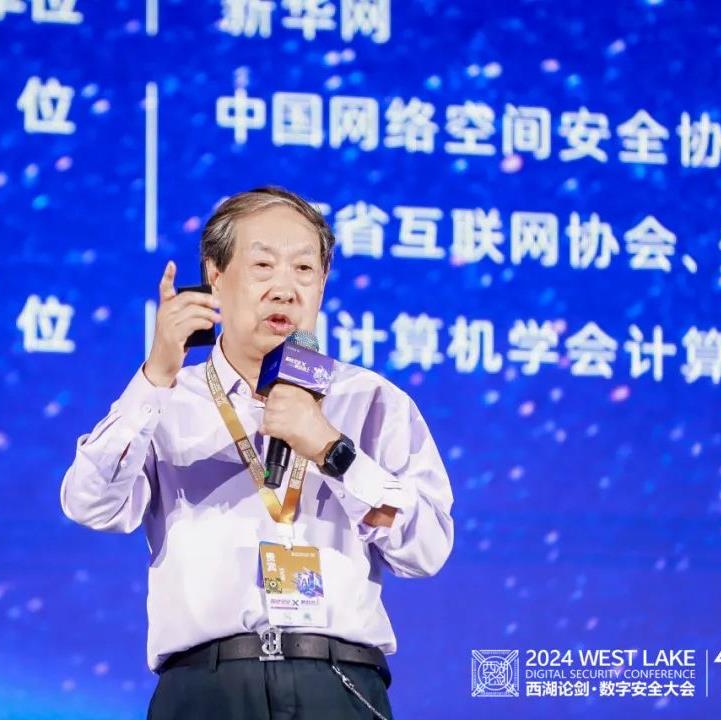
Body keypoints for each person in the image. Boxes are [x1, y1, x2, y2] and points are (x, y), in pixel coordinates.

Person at [60, 186, 454, 719]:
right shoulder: (166, 399)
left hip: (338, 683)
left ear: (322, 284)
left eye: (304, 269)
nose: (285, 289)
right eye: (263, 265)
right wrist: (154, 376)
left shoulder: (373, 401)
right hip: (207, 688)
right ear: (215, 275)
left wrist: (333, 451)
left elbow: (426, 550)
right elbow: (89, 504)